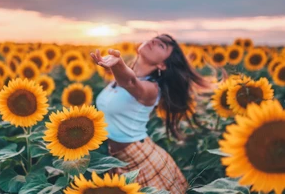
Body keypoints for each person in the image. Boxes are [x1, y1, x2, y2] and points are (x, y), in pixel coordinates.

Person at [91, 34, 223, 194]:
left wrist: (118, 64)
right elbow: (126, 79)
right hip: (115, 160)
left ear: (162, 65)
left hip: (141, 161)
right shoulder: (117, 78)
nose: (153, 41)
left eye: (162, 46)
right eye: (155, 38)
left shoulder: (152, 89)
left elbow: (131, 82)